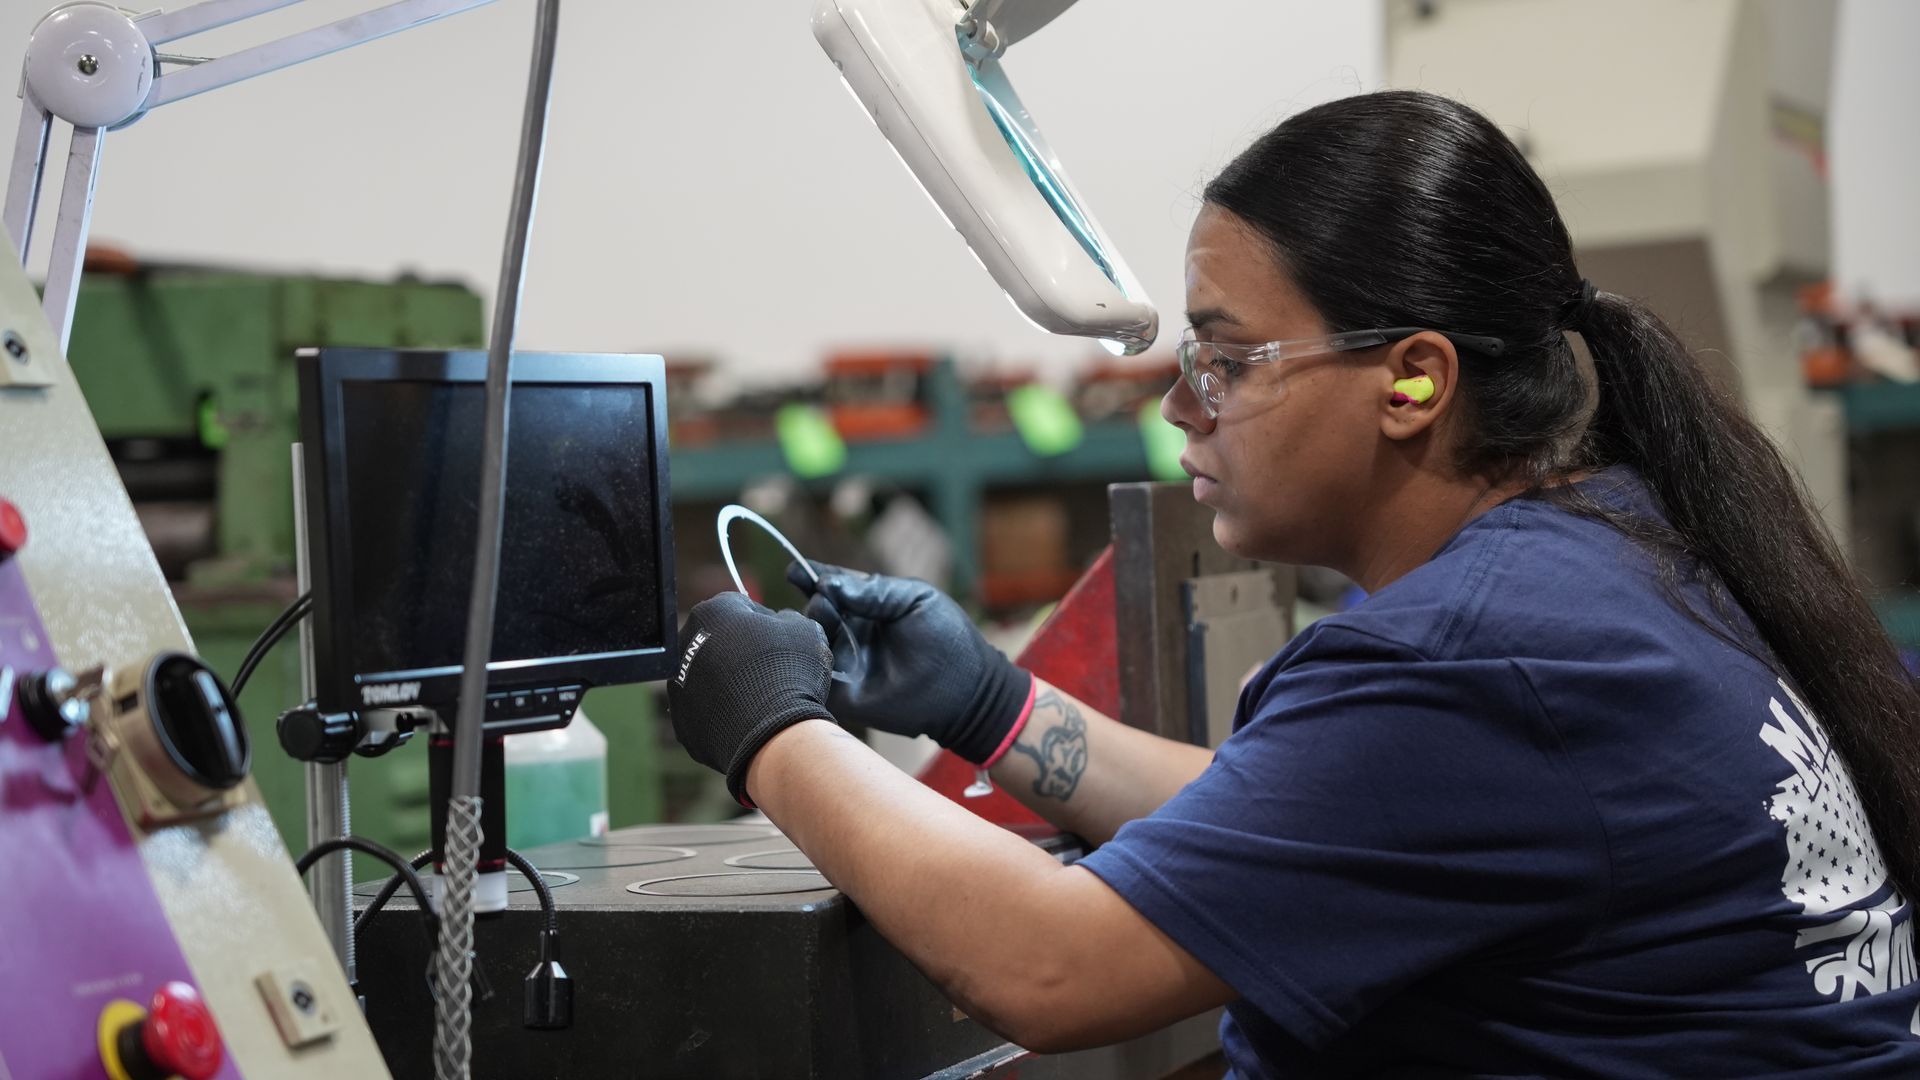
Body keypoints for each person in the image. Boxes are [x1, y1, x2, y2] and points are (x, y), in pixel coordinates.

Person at [664, 90, 1920, 1077]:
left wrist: (771, 723)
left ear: (1413, 380)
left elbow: (1046, 972)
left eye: (1225, 360)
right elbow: (1306, 814)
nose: (1177, 408)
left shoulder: (1476, 653)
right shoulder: (1615, 548)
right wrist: (992, 705)